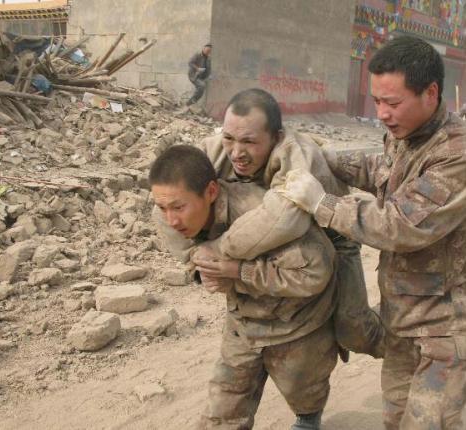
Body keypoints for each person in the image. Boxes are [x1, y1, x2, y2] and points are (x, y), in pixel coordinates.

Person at [278, 35, 466, 429]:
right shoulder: (405, 137)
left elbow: (401, 224)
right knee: (396, 419)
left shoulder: (456, 154)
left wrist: (322, 204)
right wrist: (327, 158)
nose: (381, 112)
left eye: (392, 103)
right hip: (402, 323)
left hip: (444, 334)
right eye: (376, 100)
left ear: (430, 93)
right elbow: (380, 170)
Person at [157, 88, 385, 360]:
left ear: (275, 137)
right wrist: (196, 259)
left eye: (249, 142)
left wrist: (217, 250)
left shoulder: (297, 155)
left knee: (354, 329)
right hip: (265, 239)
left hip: (329, 234)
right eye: (229, 138)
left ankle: (401, 344)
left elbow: (286, 219)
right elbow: (167, 195)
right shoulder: (215, 149)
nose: (236, 152)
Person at [150, 145, 339, 430]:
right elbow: (192, 256)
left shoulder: (262, 214)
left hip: (299, 322)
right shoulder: (166, 218)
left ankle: (309, 417)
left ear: (211, 192)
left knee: (304, 392)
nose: (171, 220)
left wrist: (240, 271)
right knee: (223, 411)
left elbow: (316, 273)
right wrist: (207, 273)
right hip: (244, 322)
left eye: (178, 207)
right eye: (163, 207)